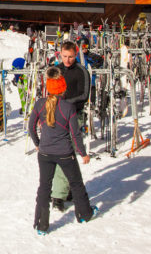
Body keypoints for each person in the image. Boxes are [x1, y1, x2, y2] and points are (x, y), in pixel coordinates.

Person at [28, 68, 96, 234]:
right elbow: (75, 134)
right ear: (63, 88)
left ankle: (41, 225)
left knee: (44, 187)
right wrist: (83, 153)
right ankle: (84, 214)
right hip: (65, 153)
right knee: (76, 183)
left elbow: (30, 127)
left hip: (44, 153)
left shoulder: (39, 104)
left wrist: (38, 143)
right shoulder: (68, 107)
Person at [50, 40, 91, 211]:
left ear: (76, 55)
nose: (67, 60)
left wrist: (66, 103)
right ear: (60, 54)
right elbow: (50, 91)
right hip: (58, 117)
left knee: (69, 154)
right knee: (62, 154)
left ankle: (62, 191)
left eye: (71, 57)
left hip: (75, 116)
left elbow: (84, 94)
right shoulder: (56, 69)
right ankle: (60, 192)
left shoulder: (81, 71)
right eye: (65, 56)